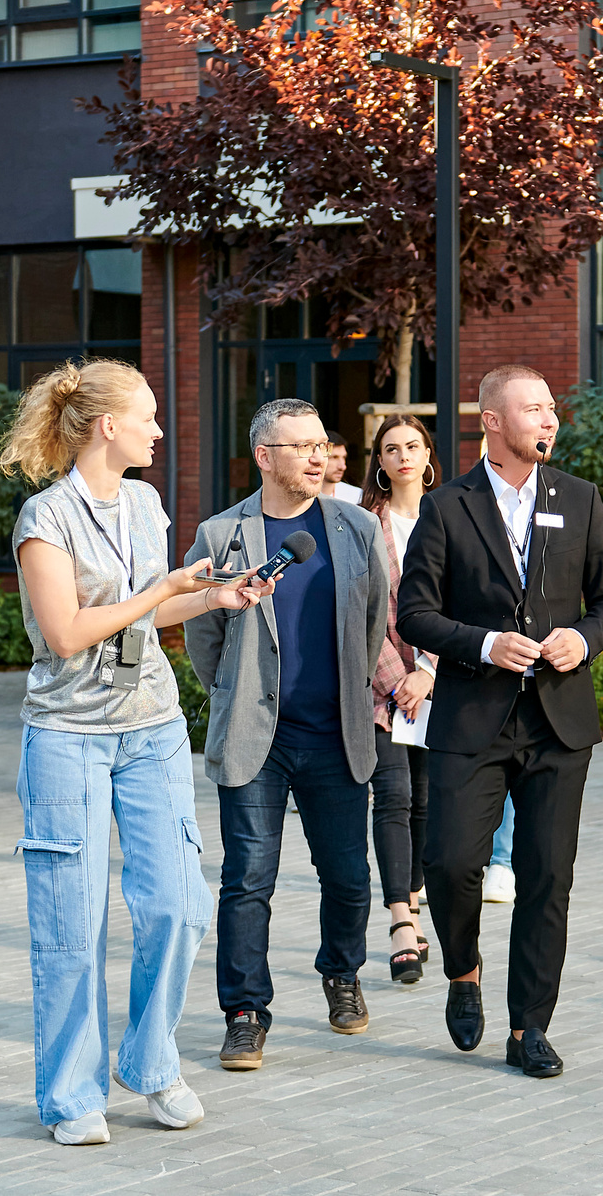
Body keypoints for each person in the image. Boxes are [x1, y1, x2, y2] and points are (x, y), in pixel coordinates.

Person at [0, 358, 270, 1147]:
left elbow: (155, 610)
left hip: (151, 726)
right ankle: (71, 1098)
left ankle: (150, 1063)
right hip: (68, 737)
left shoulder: (146, 503)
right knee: (70, 924)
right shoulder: (44, 519)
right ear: (107, 426)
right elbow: (68, 633)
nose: (159, 429)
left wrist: (217, 596)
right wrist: (160, 593)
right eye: (148, 416)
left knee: (180, 904)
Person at [397, 364, 603, 1080]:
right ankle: (462, 972)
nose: (550, 419)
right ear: (491, 420)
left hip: (560, 724)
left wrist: (584, 639)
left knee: (546, 876)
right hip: (473, 718)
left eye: (552, 409)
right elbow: (413, 613)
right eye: (533, 409)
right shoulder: (447, 508)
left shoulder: (581, 500)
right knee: (452, 863)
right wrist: (485, 644)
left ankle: (530, 1026)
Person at [182, 398, 393, 1074]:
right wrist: (240, 696)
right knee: (247, 879)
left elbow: (374, 619)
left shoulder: (356, 527)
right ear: (264, 457)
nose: (317, 455)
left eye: (321, 443)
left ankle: (342, 971)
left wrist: (350, 693)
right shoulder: (222, 536)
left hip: (336, 733)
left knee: (348, 875)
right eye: (300, 445)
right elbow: (202, 638)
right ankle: (244, 1014)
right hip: (255, 737)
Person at [359, 415, 437, 984]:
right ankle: (401, 924)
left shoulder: (455, 517)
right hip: (380, 688)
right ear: (379, 462)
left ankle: (413, 897)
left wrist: (429, 671)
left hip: (444, 684)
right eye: (392, 448)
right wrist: (397, 679)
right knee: (393, 795)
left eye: (413, 445)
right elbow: (360, 615)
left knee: (429, 803)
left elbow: (465, 604)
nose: (403, 455)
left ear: (428, 454)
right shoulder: (363, 525)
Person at [325, 430, 364, 504]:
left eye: (344, 457)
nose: (342, 467)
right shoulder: (302, 498)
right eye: (334, 457)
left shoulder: (356, 497)